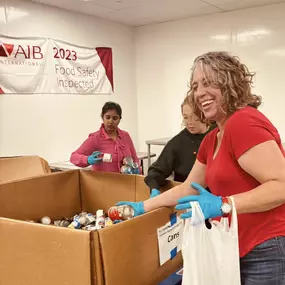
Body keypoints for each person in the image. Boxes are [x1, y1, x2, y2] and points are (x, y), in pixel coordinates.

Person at [117, 51, 285, 284]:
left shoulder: (243, 122)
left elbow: (281, 186)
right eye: (195, 86)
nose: (199, 93)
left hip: (266, 249)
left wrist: (224, 204)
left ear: (229, 83)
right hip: (234, 246)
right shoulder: (213, 138)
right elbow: (189, 188)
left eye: (208, 83)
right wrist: (140, 207)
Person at [145, 97, 215, 198]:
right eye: (185, 117)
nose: (189, 122)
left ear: (205, 115)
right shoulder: (177, 143)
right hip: (190, 199)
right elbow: (156, 172)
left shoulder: (218, 133)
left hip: (219, 197)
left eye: (194, 117)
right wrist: (154, 189)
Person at [70, 101, 140, 173]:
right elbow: (73, 157)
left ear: (119, 120)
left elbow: (134, 158)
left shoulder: (125, 136)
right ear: (102, 117)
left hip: (125, 182)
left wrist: (137, 169)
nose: (111, 121)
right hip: (103, 182)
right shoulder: (95, 138)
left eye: (115, 118)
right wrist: (87, 160)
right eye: (107, 117)